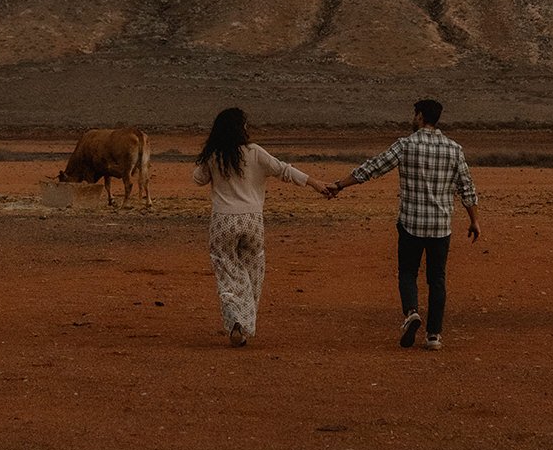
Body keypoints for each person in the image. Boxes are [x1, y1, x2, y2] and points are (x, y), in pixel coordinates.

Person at [330, 98, 479, 350]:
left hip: (411, 223)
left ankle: (411, 312)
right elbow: (467, 188)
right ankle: (434, 335)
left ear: (420, 116)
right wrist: (474, 220)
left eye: (414, 115)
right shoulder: (454, 149)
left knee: (408, 272)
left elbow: (373, 167)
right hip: (441, 226)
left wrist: (339, 185)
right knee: (437, 279)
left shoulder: (406, 145)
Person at [193, 106, 331, 346]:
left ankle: (235, 317)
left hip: (222, 221)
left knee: (226, 270)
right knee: (253, 270)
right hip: (252, 220)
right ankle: (244, 323)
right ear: (241, 129)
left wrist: (210, 158)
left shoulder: (215, 155)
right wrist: (315, 183)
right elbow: (284, 170)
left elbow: (197, 179)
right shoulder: (255, 153)